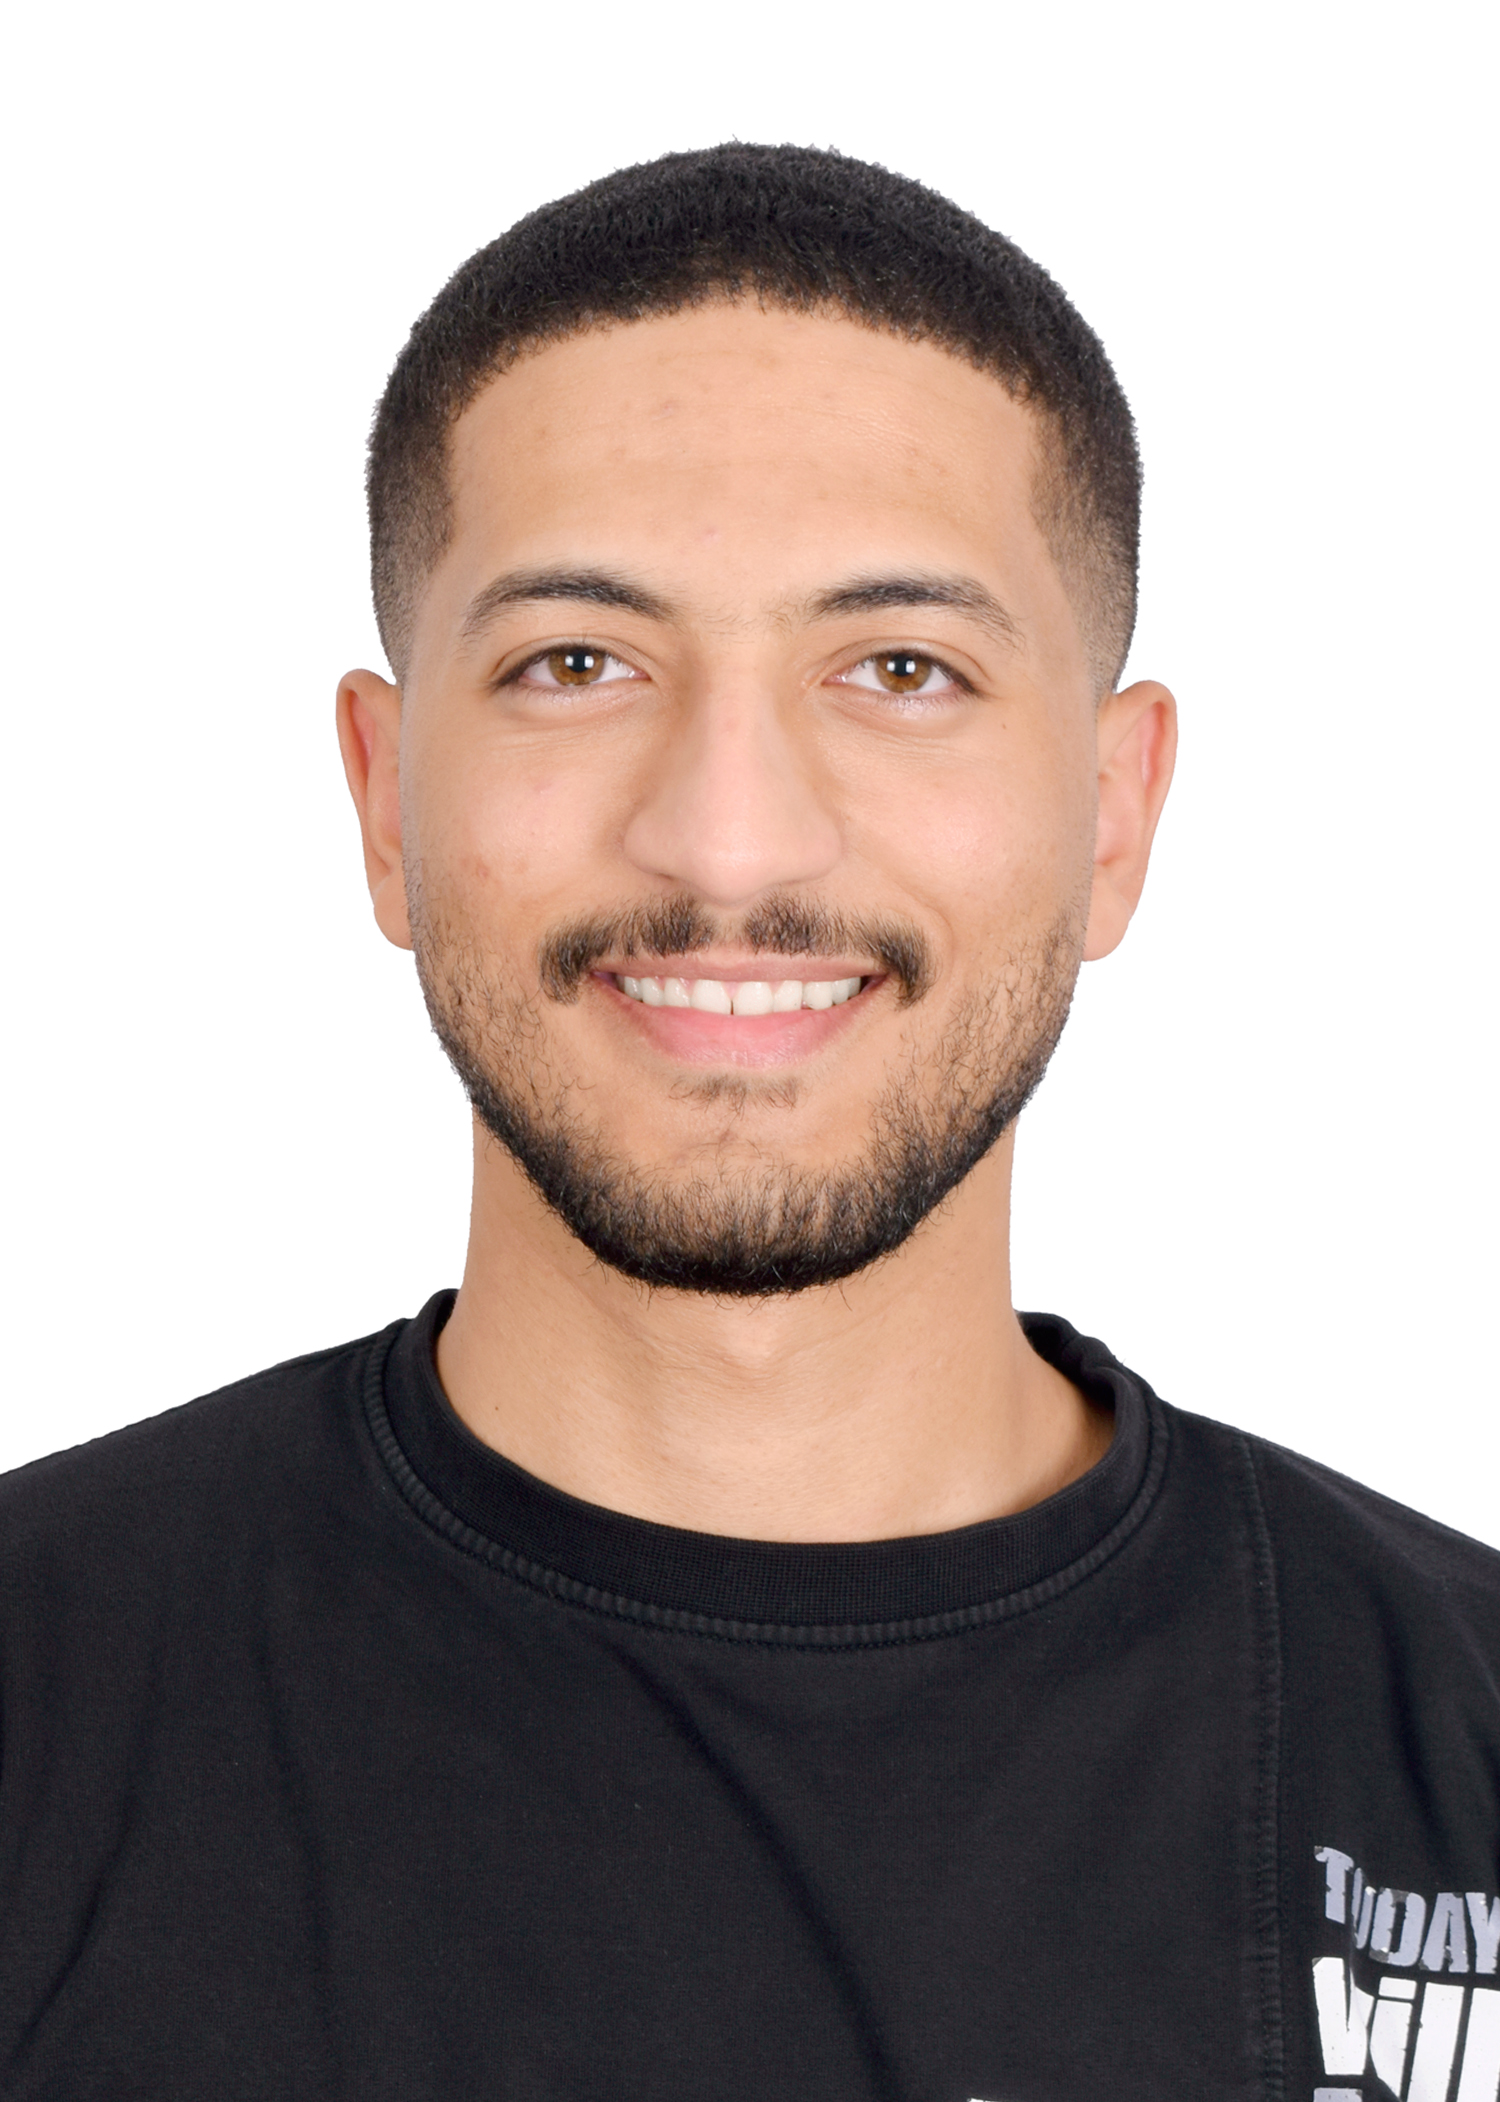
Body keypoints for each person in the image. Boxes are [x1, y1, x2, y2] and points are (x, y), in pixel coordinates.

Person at [2, 142, 1495, 2102]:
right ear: (382, 797)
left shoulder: (1460, 1743)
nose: (729, 840)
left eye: (900, 669)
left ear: (1114, 816)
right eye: (576, 663)